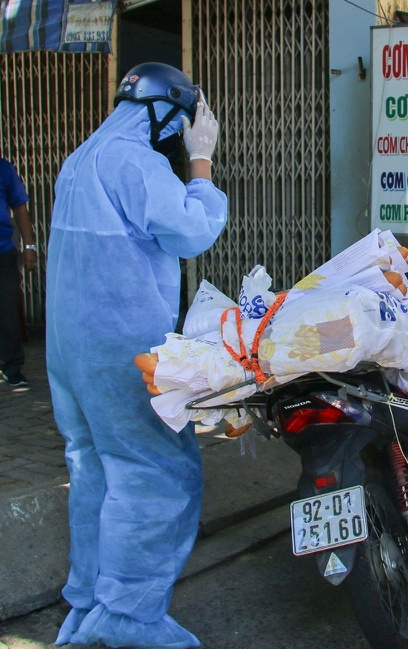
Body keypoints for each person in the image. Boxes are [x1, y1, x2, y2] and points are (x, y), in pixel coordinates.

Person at [46, 62, 228, 649]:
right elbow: (192, 231)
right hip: (121, 354)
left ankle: (87, 608)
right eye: (179, 119)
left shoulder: (79, 160)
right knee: (157, 476)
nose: (179, 129)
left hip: (71, 355)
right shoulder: (135, 163)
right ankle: (127, 622)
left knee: (94, 470)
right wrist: (201, 160)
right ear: (164, 110)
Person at [1, 156, 38, 388]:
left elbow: (20, 207)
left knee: (7, 312)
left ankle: (12, 367)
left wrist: (29, 246)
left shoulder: (3, 168)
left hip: (3, 254)